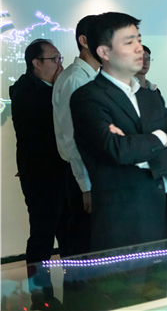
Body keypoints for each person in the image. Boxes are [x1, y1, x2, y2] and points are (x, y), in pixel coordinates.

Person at [70, 12, 167, 253]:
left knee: (162, 280)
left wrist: (141, 153)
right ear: (104, 52)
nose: (139, 49)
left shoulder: (150, 97)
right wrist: (161, 138)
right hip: (124, 224)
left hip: (165, 215)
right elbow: (118, 150)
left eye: (139, 40)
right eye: (129, 42)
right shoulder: (88, 97)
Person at [10, 39, 69, 310]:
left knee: (68, 233)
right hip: (41, 176)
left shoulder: (49, 88)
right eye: (54, 59)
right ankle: (39, 296)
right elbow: (45, 125)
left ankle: (74, 287)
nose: (60, 64)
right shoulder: (25, 91)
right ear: (36, 63)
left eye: (60, 58)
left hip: (61, 173)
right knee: (42, 236)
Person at [52, 15, 99, 257]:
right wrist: (86, 187)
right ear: (84, 41)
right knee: (84, 249)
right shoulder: (75, 79)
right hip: (81, 177)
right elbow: (73, 138)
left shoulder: (93, 77)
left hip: (92, 174)